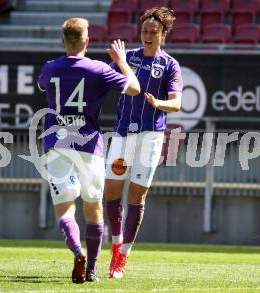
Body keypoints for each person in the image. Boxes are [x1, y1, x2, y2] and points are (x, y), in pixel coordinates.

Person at [37, 18, 140, 284]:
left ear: (63, 41)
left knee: (65, 209)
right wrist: (121, 62)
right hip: (89, 145)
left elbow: (41, 86)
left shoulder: (50, 68)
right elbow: (135, 88)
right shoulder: (98, 70)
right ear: (87, 41)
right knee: (93, 208)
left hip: (57, 144)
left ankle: (77, 251)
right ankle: (92, 269)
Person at [104, 7, 183, 279]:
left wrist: (158, 103)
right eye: (145, 31)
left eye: (154, 32)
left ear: (163, 34)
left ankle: (123, 256)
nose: (148, 35)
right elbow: (104, 81)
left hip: (150, 137)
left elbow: (177, 103)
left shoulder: (170, 65)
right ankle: (115, 245)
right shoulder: (127, 58)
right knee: (111, 193)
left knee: (137, 197)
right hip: (123, 136)